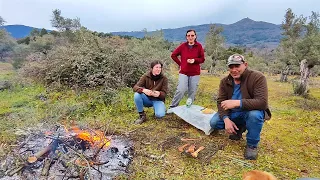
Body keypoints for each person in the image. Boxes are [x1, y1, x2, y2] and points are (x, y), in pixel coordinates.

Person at [210, 54, 271, 160]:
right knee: (214, 122)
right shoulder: (225, 81)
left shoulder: (257, 77)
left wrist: (238, 103)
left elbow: (262, 102)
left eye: (237, 66)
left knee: (254, 115)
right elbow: (221, 102)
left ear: (245, 65)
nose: (234, 70)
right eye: (231, 67)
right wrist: (226, 119)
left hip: (249, 112)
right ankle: (239, 128)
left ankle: (252, 145)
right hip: (233, 113)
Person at [168, 29, 205, 111]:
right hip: (184, 72)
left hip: (195, 73)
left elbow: (202, 59)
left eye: (192, 35)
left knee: (192, 92)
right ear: (186, 37)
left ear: (195, 36)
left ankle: (189, 108)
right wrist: (181, 64)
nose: (190, 37)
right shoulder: (183, 46)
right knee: (181, 89)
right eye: (188, 36)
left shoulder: (199, 46)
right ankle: (172, 108)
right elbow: (173, 55)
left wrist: (194, 60)